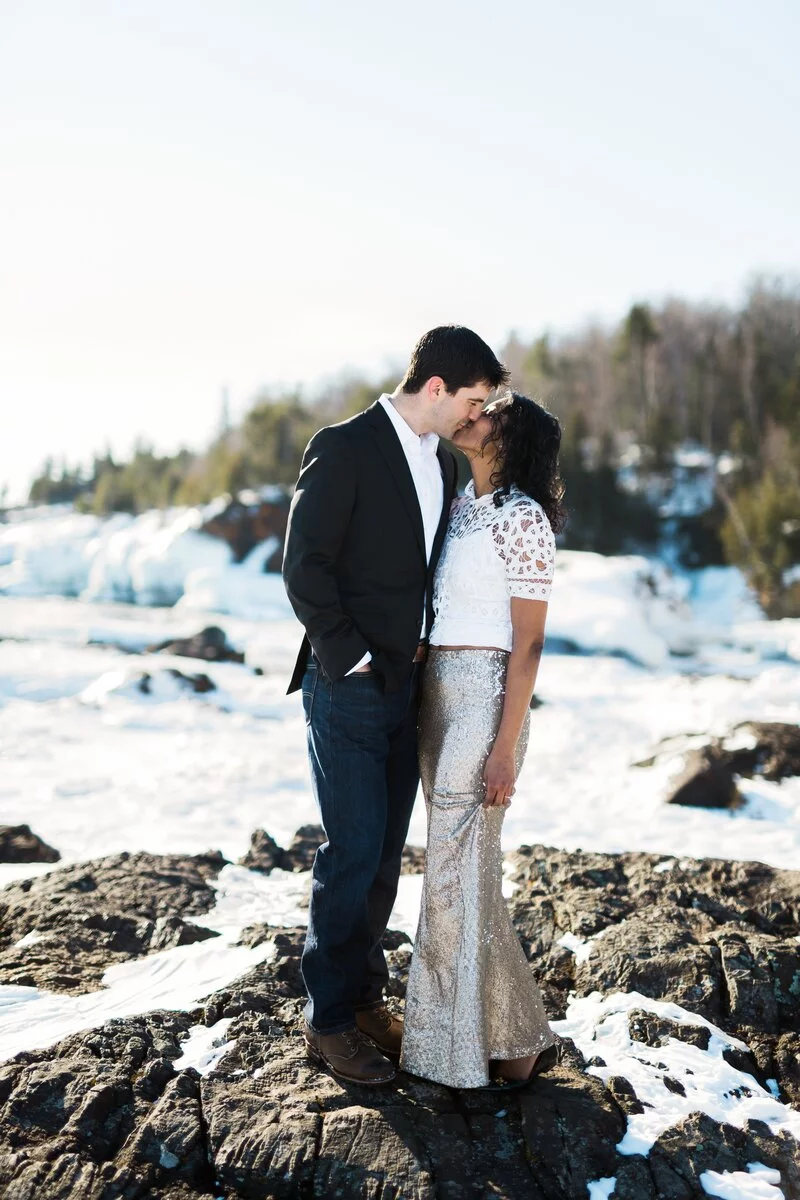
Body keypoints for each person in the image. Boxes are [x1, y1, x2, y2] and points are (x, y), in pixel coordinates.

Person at [282, 326, 510, 1085]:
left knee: (382, 857)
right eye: (474, 400)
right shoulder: (343, 445)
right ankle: (328, 1021)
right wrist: (348, 660)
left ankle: (364, 996)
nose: (476, 416)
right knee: (350, 851)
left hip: (407, 688)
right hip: (346, 684)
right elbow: (303, 568)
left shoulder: (443, 465)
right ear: (438, 386)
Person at [400, 391, 566, 1090]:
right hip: (437, 695)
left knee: (449, 871)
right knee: (467, 875)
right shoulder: (462, 504)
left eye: (489, 411)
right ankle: (517, 1037)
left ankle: (449, 1055)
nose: (473, 415)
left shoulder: (524, 517)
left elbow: (527, 645)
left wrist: (504, 748)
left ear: (510, 434)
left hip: (486, 699)